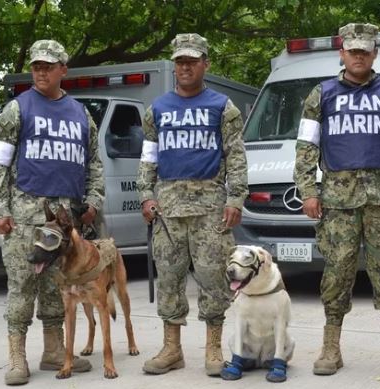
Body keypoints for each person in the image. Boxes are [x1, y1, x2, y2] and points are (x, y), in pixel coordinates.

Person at [293, 23, 380, 376]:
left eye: (364, 51)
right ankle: (330, 348)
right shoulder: (320, 95)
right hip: (337, 201)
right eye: (352, 50)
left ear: (374, 54)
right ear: (342, 52)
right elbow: (306, 147)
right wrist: (308, 192)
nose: (358, 56)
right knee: (337, 274)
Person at [0, 39, 103, 386]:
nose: (41, 71)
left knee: (58, 286)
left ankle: (54, 352)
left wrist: (93, 200)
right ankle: (16, 357)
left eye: (48, 66)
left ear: (63, 70)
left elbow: (94, 162)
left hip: (65, 219)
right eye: (36, 66)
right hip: (24, 215)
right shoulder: (17, 109)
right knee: (22, 286)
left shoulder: (81, 114)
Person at [137, 32, 248, 377]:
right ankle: (172, 349)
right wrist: (146, 194)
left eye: (191, 61)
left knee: (214, 279)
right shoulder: (157, 109)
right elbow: (148, 158)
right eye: (180, 62)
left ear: (205, 64)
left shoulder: (222, 107)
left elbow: (236, 155)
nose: (185, 67)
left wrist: (235, 197)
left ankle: (213, 348)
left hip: (210, 208)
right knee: (168, 279)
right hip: (168, 211)